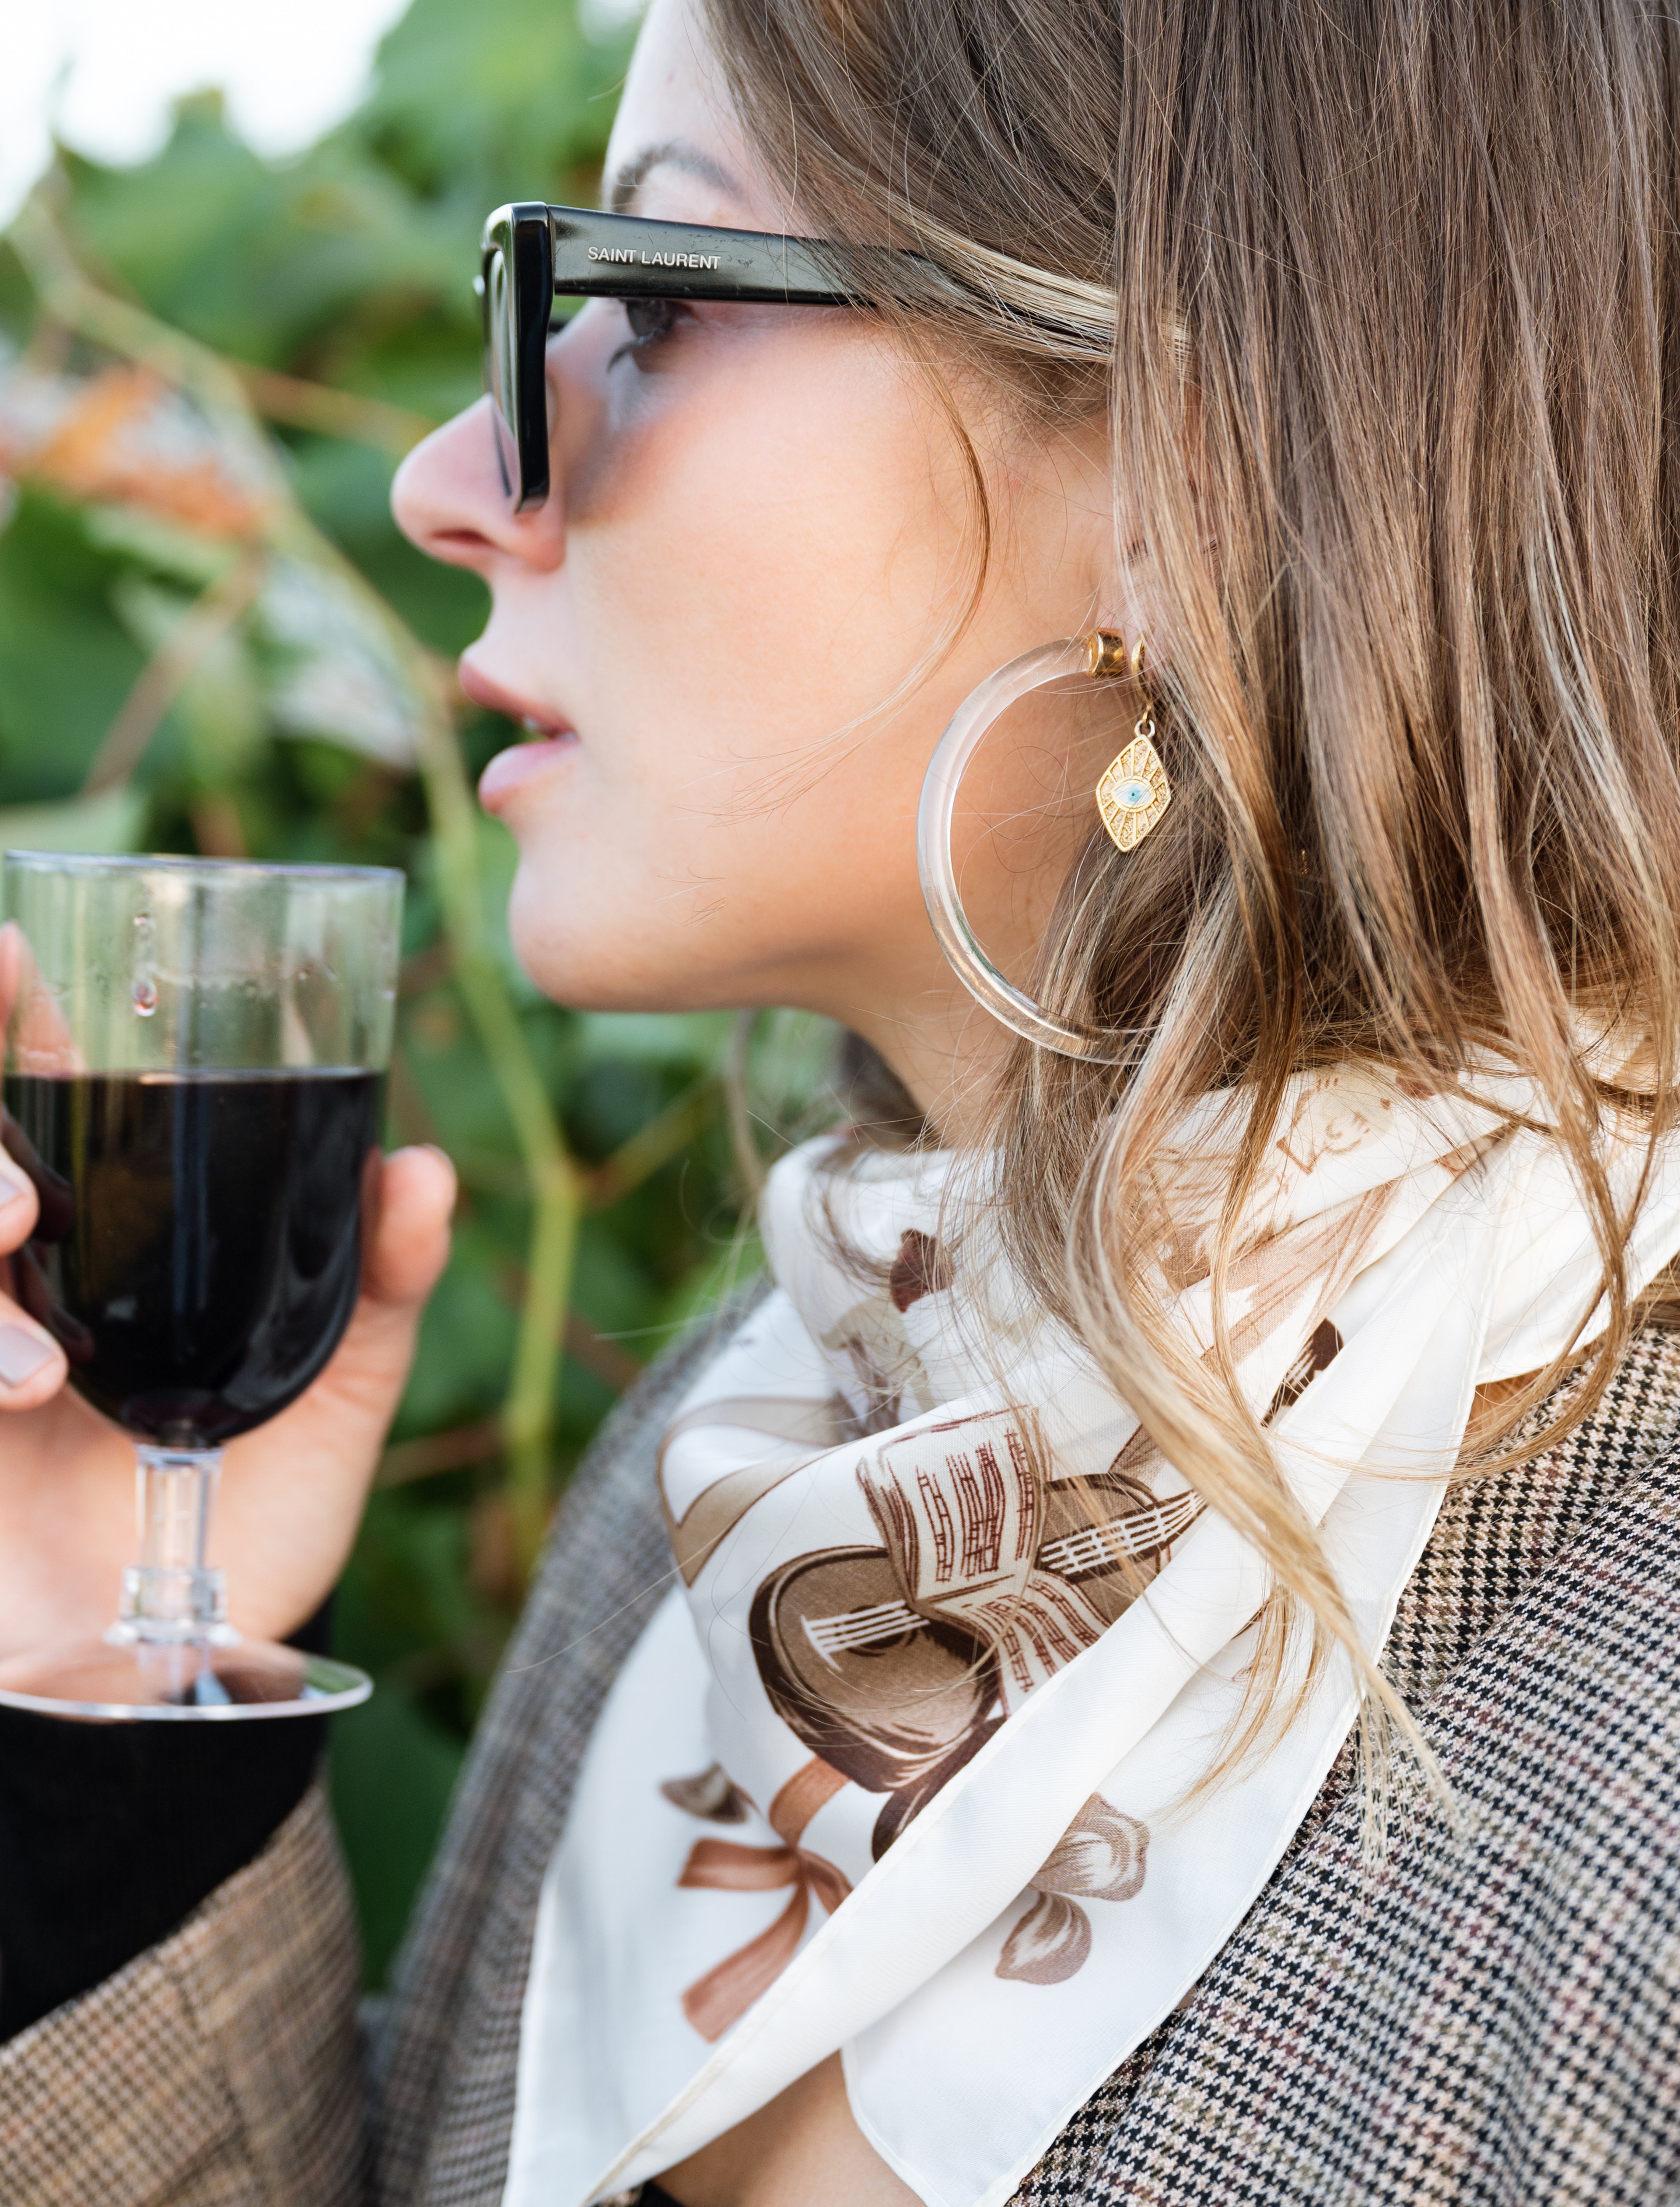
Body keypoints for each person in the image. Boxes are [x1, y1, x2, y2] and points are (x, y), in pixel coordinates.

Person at [4, 0, 1680, 2199]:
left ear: (1206, 460)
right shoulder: (765, 1448)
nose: (440, 478)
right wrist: (88, 1689)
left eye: (652, 299)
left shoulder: (1631, 1679)